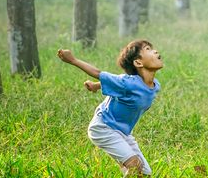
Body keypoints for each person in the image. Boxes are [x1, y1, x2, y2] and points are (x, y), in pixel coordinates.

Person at [58, 40, 163, 176]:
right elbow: (98, 73)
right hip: (103, 127)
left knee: (144, 173)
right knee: (134, 165)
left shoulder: (155, 85)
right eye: (148, 49)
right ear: (138, 63)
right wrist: (73, 60)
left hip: (123, 133)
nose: (155, 51)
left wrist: (96, 86)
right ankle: (126, 164)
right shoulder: (128, 83)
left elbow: (116, 85)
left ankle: (125, 165)